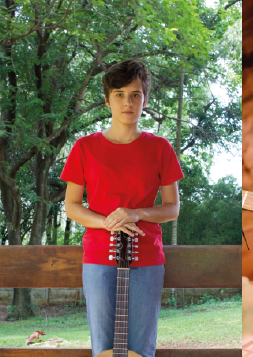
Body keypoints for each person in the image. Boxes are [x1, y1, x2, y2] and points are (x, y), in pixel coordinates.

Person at [62, 59, 185, 357]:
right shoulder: (85, 147)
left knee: (141, 349)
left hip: (147, 258)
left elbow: (172, 209)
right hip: (98, 257)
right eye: (119, 95)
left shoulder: (160, 148)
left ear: (145, 100)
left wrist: (137, 213)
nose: (127, 103)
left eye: (135, 95)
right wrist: (109, 222)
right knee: (104, 348)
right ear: (107, 100)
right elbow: (72, 207)